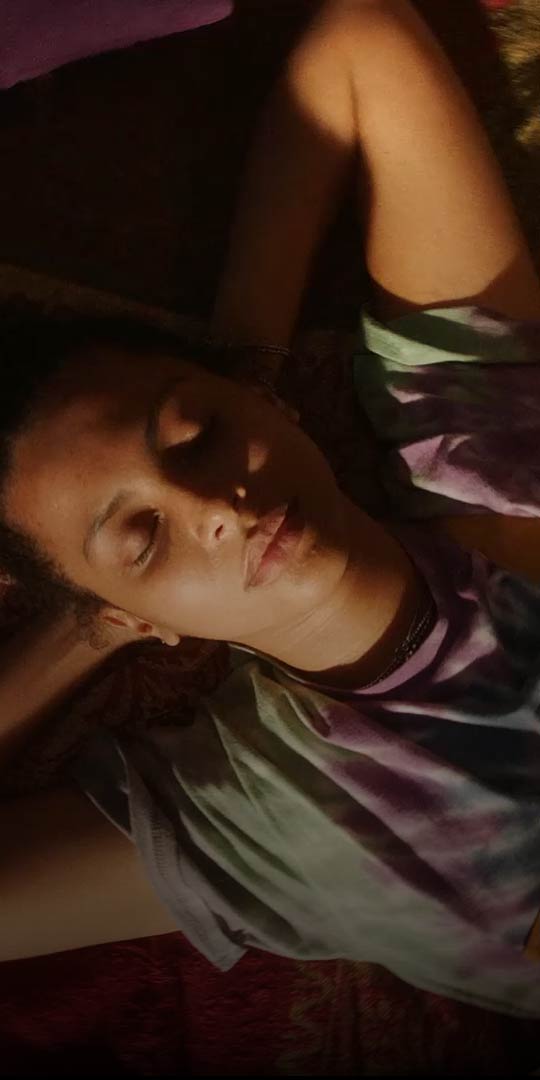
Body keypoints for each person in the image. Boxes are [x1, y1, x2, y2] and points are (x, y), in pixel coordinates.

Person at [1, 0, 540, 1018]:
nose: (212, 504)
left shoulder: (493, 466)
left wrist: (246, 356)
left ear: (266, 402)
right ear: (140, 618)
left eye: (198, 431)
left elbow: (364, 42)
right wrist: (85, 629)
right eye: (142, 537)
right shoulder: (281, 830)